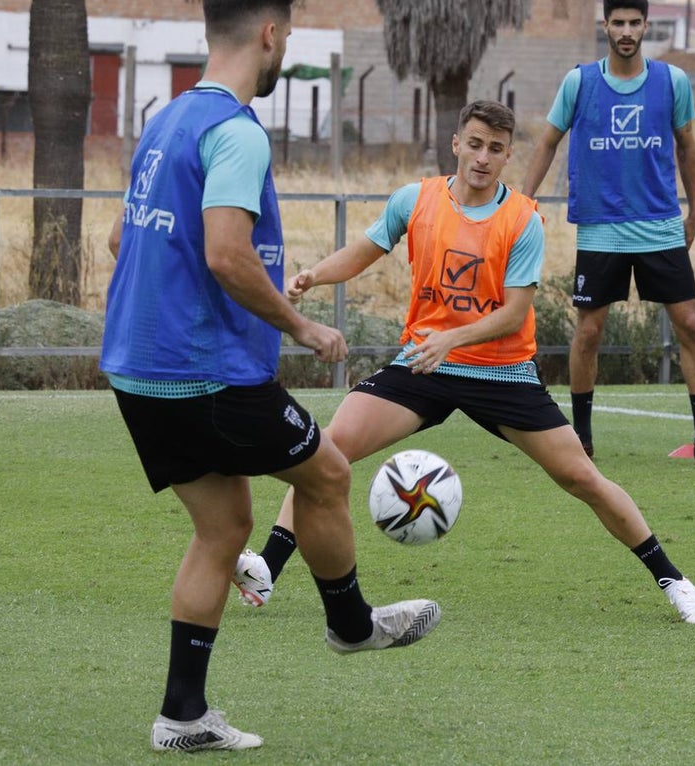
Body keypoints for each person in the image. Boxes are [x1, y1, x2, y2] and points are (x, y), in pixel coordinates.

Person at [230, 99, 695, 627]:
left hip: (500, 372)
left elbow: (514, 314)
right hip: (423, 364)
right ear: (457, 144)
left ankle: (674, 581)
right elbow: (365, 250)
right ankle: (267, 568)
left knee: (582, 478)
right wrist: (313, 276)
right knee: (327, 451)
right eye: (476, 144)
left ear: (508, 156)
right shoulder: (415, 198)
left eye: (496, 149)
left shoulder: (522, 220)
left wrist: (451, 339)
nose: (483, 157)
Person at [100, 0, 439, 752]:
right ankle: (352, 625)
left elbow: (124, 238)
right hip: (206, 373)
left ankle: (182, 716)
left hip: (138, 368)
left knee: (223, 527)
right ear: (269, 34)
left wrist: (203, 295)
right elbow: (226, 253)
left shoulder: (166, 121)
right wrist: (302, 326)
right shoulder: (237, 130)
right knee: (328, 473)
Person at [519, 0, 695, 465]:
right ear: (605, 25)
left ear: (646, 26)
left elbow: (687, 147)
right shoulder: (579, 82)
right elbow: (547, 142)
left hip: (659, 225)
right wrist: (521, 204)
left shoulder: (672, 81)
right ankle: (581, 441)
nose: (626, 31)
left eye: (634, 23)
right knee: (589, 333)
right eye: (618, 22)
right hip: (600, 227)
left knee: (690, 325)